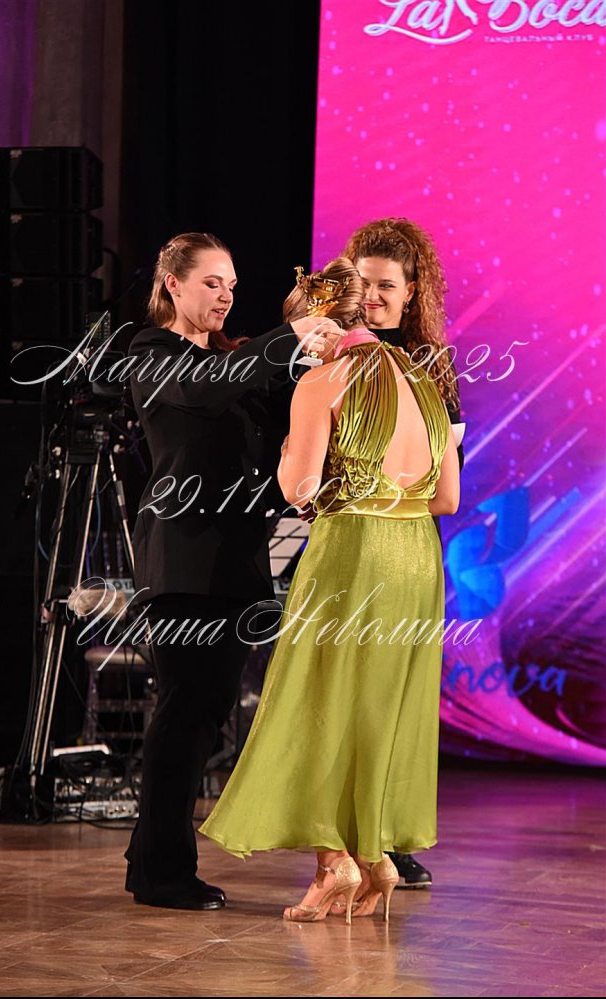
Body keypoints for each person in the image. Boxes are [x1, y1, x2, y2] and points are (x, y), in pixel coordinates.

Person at [198, 257, 460, 923]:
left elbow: (298, 489)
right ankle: (375, 857)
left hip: (354, 549)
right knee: (378, 708)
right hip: (417, 555)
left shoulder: (324, 380)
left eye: (303, 338)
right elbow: (447, 498)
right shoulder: (422, 379)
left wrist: (293, 446)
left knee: (316, 699)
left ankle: (333, 863)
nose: (301, 352)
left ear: (321, 326)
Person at [123, 232, 345, 910]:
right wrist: (288, 336)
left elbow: (276, 431)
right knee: (188, 706)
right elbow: (209, 390)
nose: (224, 296)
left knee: (207, 708)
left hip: (237, 560)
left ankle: (151, 854)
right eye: (212, 282)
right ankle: (162, 870)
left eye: (232, 286)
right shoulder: (152, 354)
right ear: (172, 283)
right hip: (183, 562)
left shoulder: (235, 362)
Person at [342, 216, 464, 888]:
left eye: (386, 285)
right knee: (349, 697)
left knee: (401, 699)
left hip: (410, 550)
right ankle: (345, 839)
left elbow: (449, 484)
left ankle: (388, 835)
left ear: (413, 291)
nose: (372, 297)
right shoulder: (333, 355)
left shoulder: (434, 367)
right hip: (348, 548)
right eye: (362, 283)